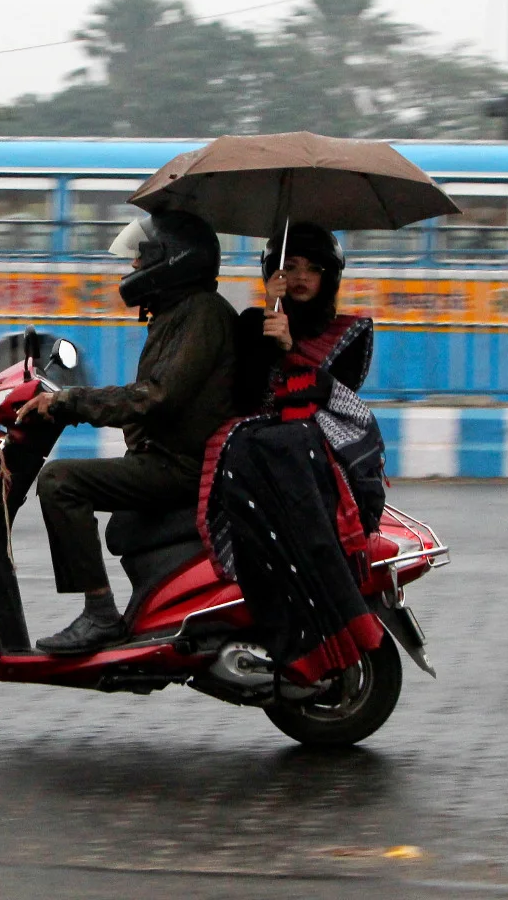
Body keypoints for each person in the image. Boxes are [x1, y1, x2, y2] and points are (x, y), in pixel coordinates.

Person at [18, 209, 236, 654]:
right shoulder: (181, 312)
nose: (134, 267)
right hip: (166, 458)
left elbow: (156, 396)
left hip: (181, 466)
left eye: (142, 257)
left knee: (60, 482)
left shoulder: (202, 314)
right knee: (122, 530)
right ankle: (155, 611)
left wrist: (71, 402)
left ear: (173, 261)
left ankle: (99, 614)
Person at [202, 222, 388, 686]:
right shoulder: (250, 324)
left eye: (312, 268)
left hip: (321, 449)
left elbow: (334, 398)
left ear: (330, 278)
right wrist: (267, 337)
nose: (300, 276)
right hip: (263, 445)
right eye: (288, 266)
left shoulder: (350, 333)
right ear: (271, 274)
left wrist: (291, 349)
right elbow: (244, 397)